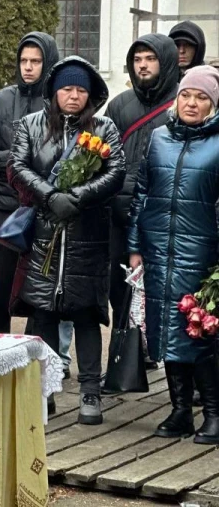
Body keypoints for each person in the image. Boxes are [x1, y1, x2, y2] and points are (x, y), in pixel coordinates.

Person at [9, 57, 125, 426]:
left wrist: (78, 197)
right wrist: (49, 195)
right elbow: (18, 165)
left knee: (86, 314)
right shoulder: (31, 125)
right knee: (43, 312)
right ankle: (44, 389)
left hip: (86, 235)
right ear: (54, 92)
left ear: (89, 95)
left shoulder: (104, 129)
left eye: (80, 90)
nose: (73, 96)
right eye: (66, 89)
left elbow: (115, 171)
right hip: (44, 234)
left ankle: (90, 390)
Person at [129, 66, 219, 444]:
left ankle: (213, 414)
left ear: (213, 104)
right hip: (159, 253)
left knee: (202, 333)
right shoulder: (158, 138)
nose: (192, 103)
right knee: (166, 332)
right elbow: (141, 196)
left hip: (202, 257)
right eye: (186, 95)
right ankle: (179, 410)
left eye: (201, 97)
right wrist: (135, 246)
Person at [0, 32, 59, 335]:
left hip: (43, 212)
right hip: (4, 210)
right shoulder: (1, 100)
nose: (28, 67)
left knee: (40, 296)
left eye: (35, 61)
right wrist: (15, 158)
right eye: (23, 60)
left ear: (48, 63)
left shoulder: (58, 101)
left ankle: (35, 365)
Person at [105, 34, 179, 331]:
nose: (143, 66)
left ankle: (153, 347)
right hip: (119, 216)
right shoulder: (120, 105)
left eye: (150, 59)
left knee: (159, 287)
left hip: (160, 216)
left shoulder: (181, 103)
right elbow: (104, 154)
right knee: (118, 287)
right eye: (137, 60)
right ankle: (126, 351)